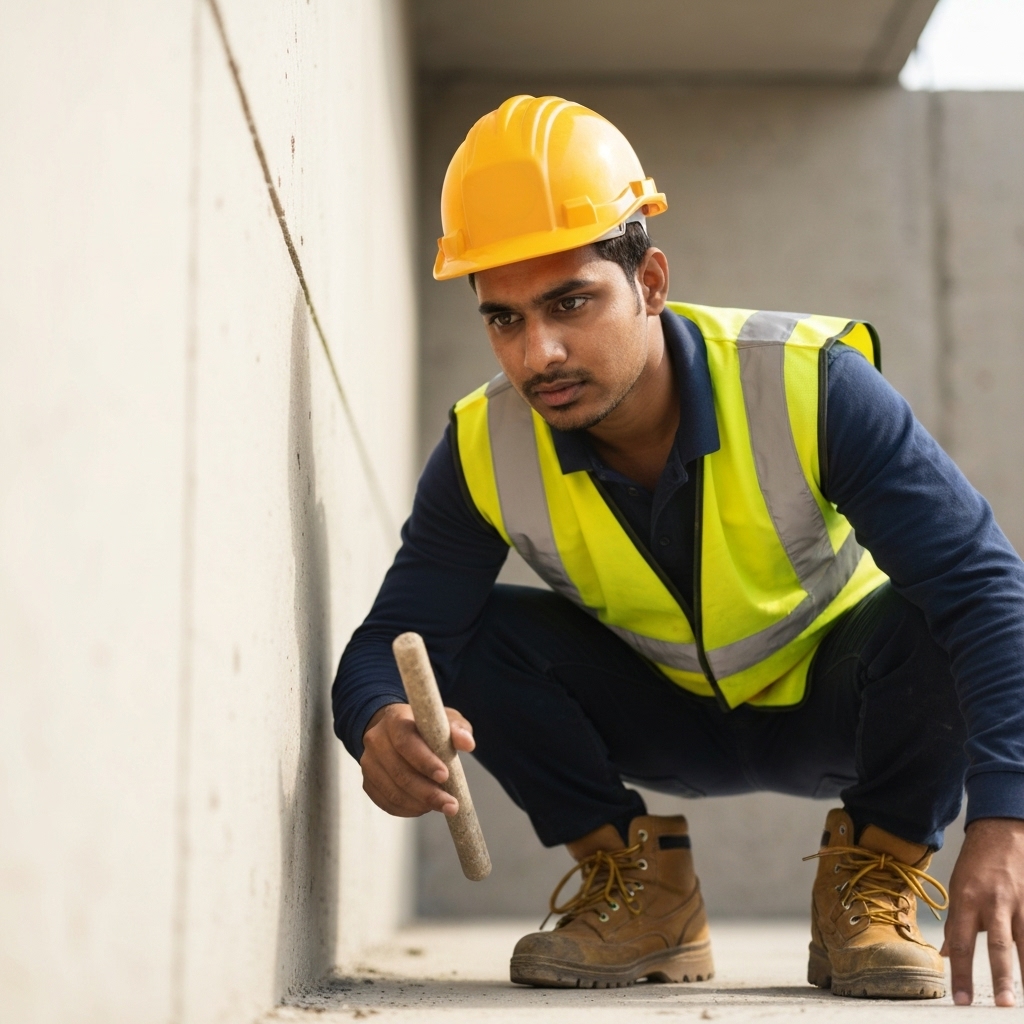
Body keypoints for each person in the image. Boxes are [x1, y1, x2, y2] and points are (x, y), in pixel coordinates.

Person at [332, 95, 1024, 1004]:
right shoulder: (484, 445)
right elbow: (391, 639)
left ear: (650, 282)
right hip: (653, 708)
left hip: (843, 700)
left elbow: (988, 590)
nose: (538, 352)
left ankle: (878, 877)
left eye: (570, 302)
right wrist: (376, 722)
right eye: (503, 318)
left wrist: (1006, 822)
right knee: (467, 633)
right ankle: (640, 890)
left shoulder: (808, 385)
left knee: (946, 606)